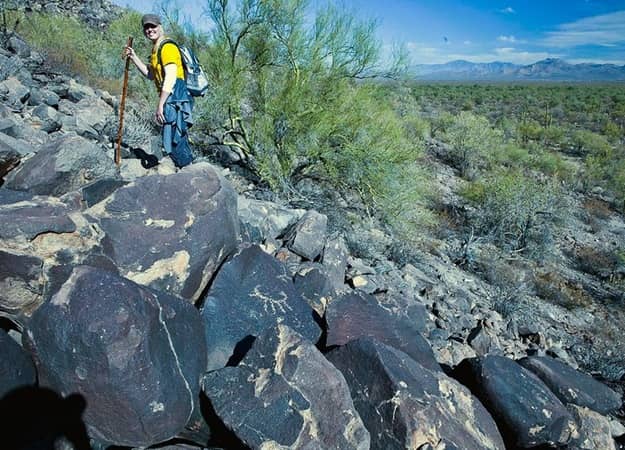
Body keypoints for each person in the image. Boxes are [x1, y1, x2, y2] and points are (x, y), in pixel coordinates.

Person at [123, 13, 194, 168]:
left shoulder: (167, 47)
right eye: (146, 27)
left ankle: (188, 173)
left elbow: (170, 77)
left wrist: (160, 104)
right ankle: (185, 171)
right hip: (172, 95)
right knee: (173, 137)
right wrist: (134, 57)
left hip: (176, 96)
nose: (150, 30)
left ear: (160, 27)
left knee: (176, 137)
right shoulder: (156, 49)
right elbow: (151, 75)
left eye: (153, 26)